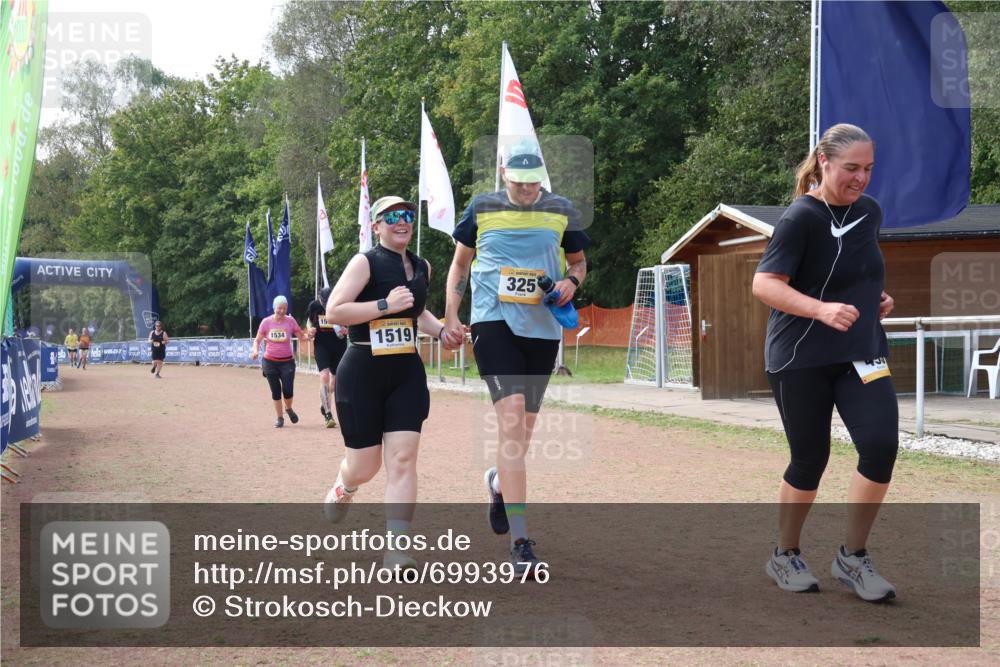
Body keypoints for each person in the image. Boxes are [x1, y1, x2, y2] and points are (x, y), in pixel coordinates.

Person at [752, 123, 899, 602]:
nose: (861, 178)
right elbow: (765, 284)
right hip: (801, 357)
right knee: (810, 459)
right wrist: (821, 309)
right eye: (852, 168)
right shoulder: (801, 218)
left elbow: (855, 269)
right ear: (825, 163)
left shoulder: (870, 212)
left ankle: (852, 558)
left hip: (862, 351)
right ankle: (785, 554)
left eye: (869, 169)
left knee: (880, 445)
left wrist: (875, 298)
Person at [441, 144, 589, 576]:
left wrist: (570, 283)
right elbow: (459, 265)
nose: (526, 190)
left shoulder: (562, 210)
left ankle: (497, 483)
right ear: (503, 172)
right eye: (518, 182)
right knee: (510, 425)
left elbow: (578, 262)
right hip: (493, 322)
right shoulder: (481, 208)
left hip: (542, 330)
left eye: (533, 183)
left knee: (521, 436)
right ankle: (521, 540)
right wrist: (452, 314)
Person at [323, 195, 446, 572]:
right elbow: (334, 312)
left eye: (407, 214)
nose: (401, 220)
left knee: (404, 459)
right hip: (362, 370)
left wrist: (443, 331)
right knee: (365, 466)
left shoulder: (422, 265)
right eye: (391, 216)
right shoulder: (365, 262)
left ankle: (396, 549)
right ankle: (345, 484)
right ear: (376, 226)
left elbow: (418, 311)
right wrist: (383, 306)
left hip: (406, 371)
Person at [251, 296, 310, 427]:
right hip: (269, 362)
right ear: (274, 308)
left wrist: (309, 335)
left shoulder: (290, 321)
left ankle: (288, 408)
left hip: (287, 362)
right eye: (279, 308)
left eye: (284, 308)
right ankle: (279, 418)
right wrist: (255, 351)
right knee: (276, 391)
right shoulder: (266, 322)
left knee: (288, 390)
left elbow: (301, 336)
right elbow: (257, 340)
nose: (282, 311)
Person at [306, 285, 348, 428]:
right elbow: (309, 322)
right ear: (320, 299)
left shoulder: (342, 304)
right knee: (324, 375)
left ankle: (325, 402)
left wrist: (346, 330)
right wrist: (310, 331)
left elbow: (352, 324)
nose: (326, 306)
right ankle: (328, 414)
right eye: (324, 303)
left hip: (339, 345)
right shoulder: (314, 306)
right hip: (321, 345)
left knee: (334, 381)